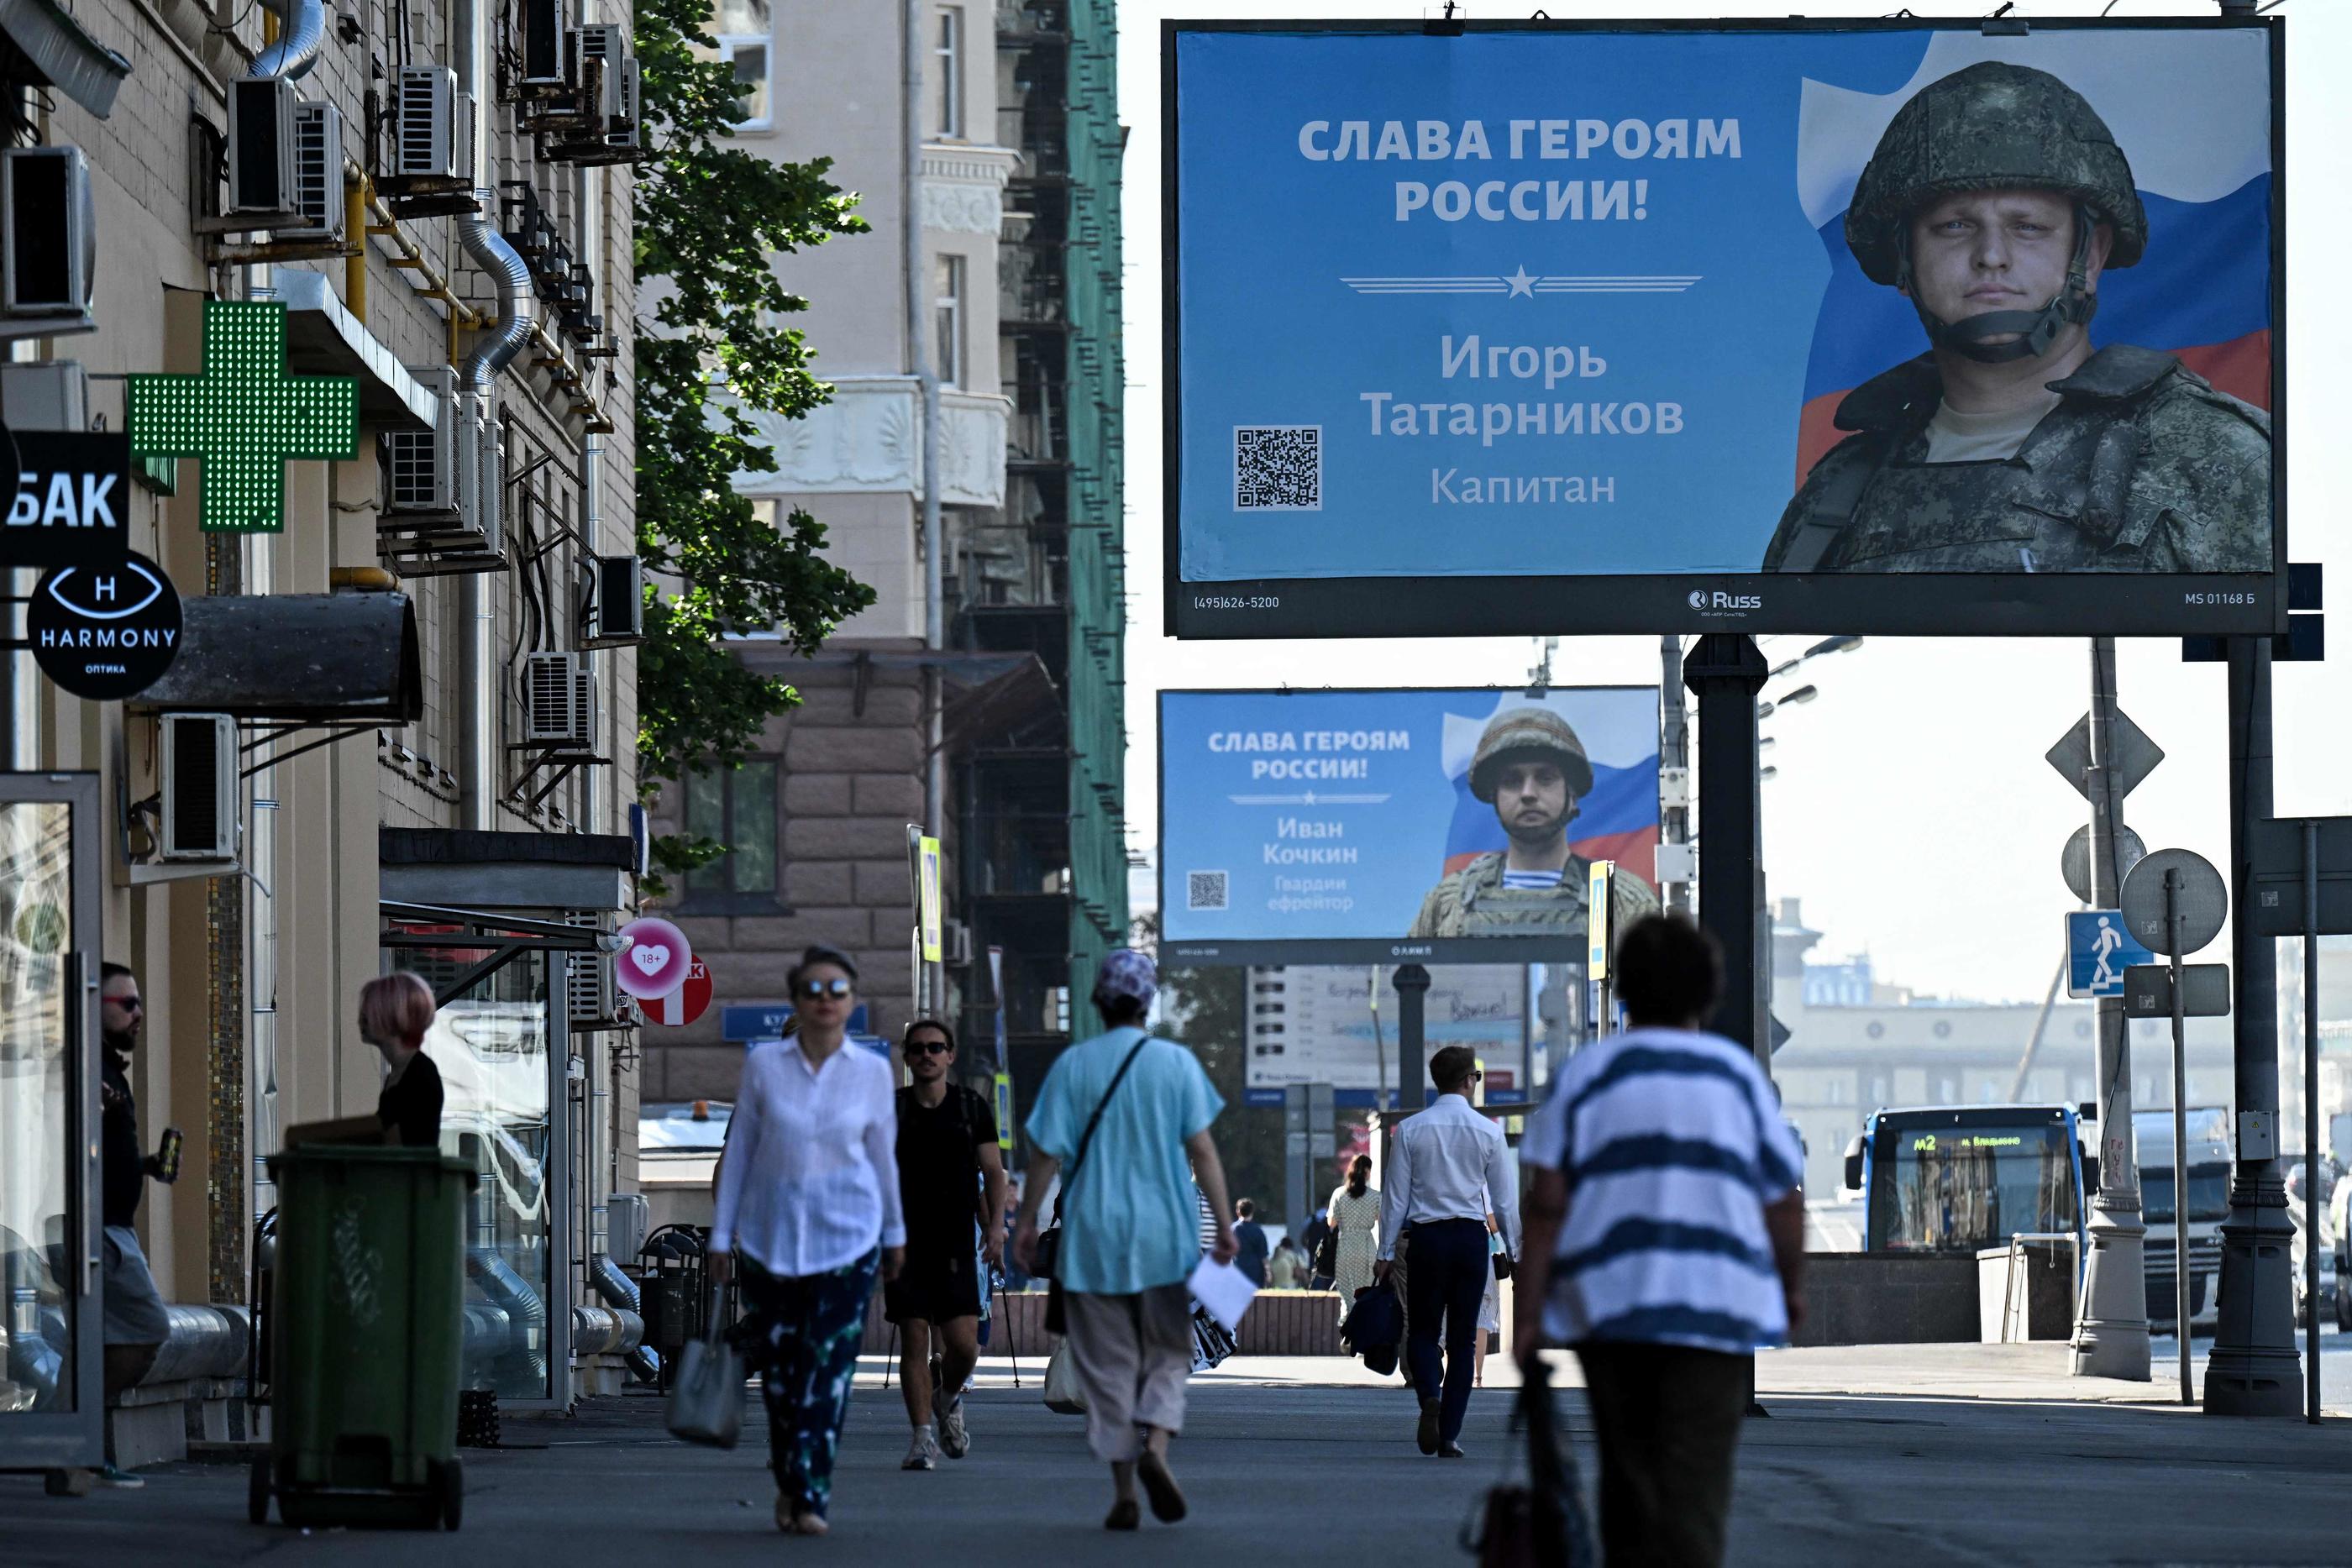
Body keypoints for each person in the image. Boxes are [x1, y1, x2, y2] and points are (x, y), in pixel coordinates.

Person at [1762, 60, 2270, 575]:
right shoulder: (1839, 491)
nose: (1991, 256)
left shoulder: (2215, 457)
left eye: (2027, 227)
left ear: (2090, 256)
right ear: (1903, 259)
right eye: (1954, 226)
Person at [1515, 913, 1808, 1568]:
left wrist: (1529, 1315)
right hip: (1715, 1314)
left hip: (1610, 1314)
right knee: (1694, 1495)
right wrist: (1790, 1289)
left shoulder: (1586, 1076)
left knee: (1627, 1483)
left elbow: (1546, 1207)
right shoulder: (1736, 1079)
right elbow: (1782, 1196)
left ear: (1625, 989)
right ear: (1708, 990)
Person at [1014, 949, 1238, 1532]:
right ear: (1147, 1001)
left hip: (1091, 1239)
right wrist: (1224, 1225)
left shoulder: (1074, 1065)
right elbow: (1205, 1151)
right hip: (1163, 1238)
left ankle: (1123, 1494)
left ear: (1098, 1001)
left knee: (1106, 1369)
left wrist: (1024, 1225)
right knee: (1165, 1355)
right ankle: (1156, 1452)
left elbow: (1045, 1153)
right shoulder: (1175, 1063)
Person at [708, 945, 905, 1536]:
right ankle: (790, 1481)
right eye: (813, 989)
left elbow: (881, 1157)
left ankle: (812, 1492)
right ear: (796, 999)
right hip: (772, 1244)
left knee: (829, 1369)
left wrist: (896, 1233)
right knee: (782, 1377)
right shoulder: (765, 1065)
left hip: (848, 1242)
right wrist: (722, 1233)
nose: (825, 999)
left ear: (851, 1001)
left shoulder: (871, 1072)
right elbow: (739, 1150)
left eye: (837, 989)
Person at [1377, 1046, 1520, 1459]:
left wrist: (1386, 1251)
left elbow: (1395, 1198)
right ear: (1469, 1080)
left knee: (1422, 1331)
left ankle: (1429, 1399)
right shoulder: (1488, 1132)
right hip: (1470, 1242)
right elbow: (1505, 1203)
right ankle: (1450, 1434)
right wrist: (1516, 1250)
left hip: (1426, 1240)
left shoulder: (1410, 1130)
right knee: (1462, 1340)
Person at [1409, 709, 1659, 940]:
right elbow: (1405, 982)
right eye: (1512, 781)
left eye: (1545, 778)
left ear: (1571, 796)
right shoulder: (1449, 902)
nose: (1528, 793)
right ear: (1494, 798)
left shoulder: (1619, 899)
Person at [888, 1017, 1007, 1471]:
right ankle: (921, 1439)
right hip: (904, 1240)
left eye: (936, 1047)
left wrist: (995, 1227)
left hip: (957, 1240)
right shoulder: (893, 1109)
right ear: (907, 1056)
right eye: (918, 1048)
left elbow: (993, 1172)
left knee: (964, 1346)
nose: (927, 1055)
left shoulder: (971, 1107)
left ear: (950, 1055)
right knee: (914, 1336)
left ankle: (949, 1397)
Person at [97, 963, 174, 1487]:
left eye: (139, 1002)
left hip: (107, 1227)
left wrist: (141, 1165)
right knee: (149, 1327)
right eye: (127, 1004)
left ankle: (74, 1445)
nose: (139, 1013)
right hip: (98, 1230)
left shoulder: (106, 1069)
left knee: (88, 1344)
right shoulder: (87, 1070)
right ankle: (78, 1436)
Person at [361, 973, 444, 1148]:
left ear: (391, 1017)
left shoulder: (421, 1074)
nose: (361, 1020)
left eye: (369, 1012)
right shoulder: (401, 1072)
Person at [1327, 1155, 1382, 1321]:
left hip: (1346, 1247)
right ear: (1367, 1172)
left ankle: (1346, 1323)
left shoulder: (1339, 1194)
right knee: (1367, 1291)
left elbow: (1331, 1223)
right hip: (1367, 1246)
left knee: (1347, 1292)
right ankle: (1364, 1328)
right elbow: (1383, 1223)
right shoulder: (1375, 1196)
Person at [1231, 1198, 1270, 1287]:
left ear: (1238, 1211)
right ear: (1252, 1212)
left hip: (1236, 1271)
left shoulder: (1232, 1230)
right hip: (1255, 1274)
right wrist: (1268, 1273)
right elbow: (1264, 1256)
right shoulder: (1258, 1231)